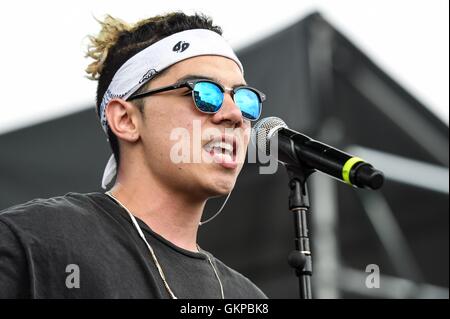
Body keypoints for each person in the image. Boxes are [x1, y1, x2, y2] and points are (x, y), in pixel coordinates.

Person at [0, 12, 267, 299]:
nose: (234, 115)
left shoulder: (248, 298)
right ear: (126, 120)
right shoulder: (34, 240)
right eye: (204, 93)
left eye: (244, 100)